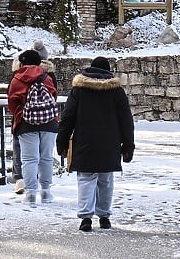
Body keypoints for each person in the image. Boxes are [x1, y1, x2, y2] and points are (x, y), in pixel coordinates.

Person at [56, 56, 135, 232]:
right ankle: (104, 216)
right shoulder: (116, 91)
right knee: (105, 180)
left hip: (85, 142)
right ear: (108, 71)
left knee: (86, 179)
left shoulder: (79, 90)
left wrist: (62, 142)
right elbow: (126, 121)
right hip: (110, 143)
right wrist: (128, 146)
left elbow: (67, 118)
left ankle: (85, 218)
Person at [8, 49, 59, 204]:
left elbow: (12, 101)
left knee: (29, 159)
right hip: (48, 122)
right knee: (46, 158)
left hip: (26, 123)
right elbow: (53, 95)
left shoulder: (17, 78)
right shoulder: (46, 77)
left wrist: (20, 114)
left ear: (22, 62)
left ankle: (30, 193)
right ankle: (46, 192)